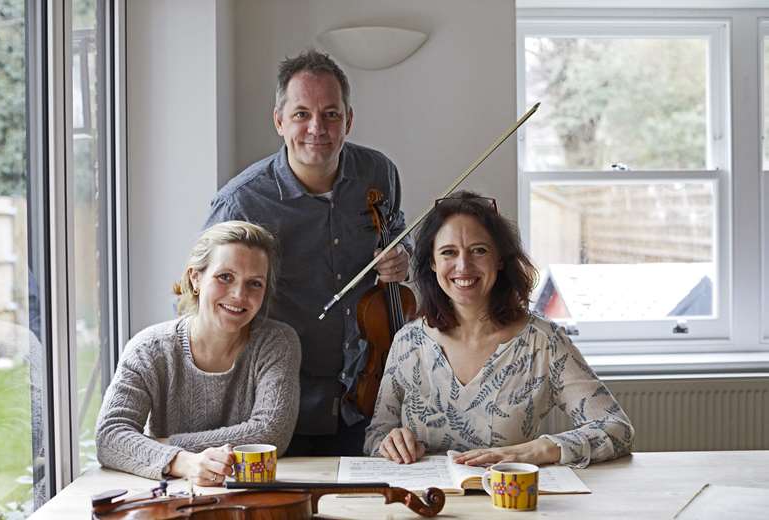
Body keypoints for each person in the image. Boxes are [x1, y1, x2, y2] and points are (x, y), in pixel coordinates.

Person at [204, 50, 410, 455]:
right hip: (280, 404)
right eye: (301, 114)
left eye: (331, 114)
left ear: (348, 120)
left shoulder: (378, 172)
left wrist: (402, 253)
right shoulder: (241, 202)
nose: (317, 127)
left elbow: (399, 231)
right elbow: (208, 298)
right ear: (279, 120)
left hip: (369, 399)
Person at [365, 191, 634, 468]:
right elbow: (376, 436)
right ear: (433, 263)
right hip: (426, 505)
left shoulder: (543, 342)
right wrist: (389, 442)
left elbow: (616, 429)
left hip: (509, 505)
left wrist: (536, 450)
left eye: (479, 250)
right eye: (449, 252)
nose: (463, 265)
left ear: (500, 260)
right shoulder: (407, 341)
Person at [95, 221, 301, 485]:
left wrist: (164, 445)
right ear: (196, 278)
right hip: (173, 498)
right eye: (225, 277)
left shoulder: (277, 342)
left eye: (254, 284)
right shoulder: (149, 348)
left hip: (248, 497)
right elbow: (109, 436)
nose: (239, 294)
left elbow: (271, 432)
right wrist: (183, 461)